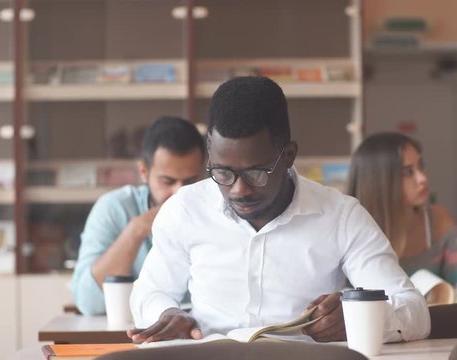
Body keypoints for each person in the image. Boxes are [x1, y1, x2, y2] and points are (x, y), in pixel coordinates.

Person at [129, 76, 430, 344]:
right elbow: (148, 293)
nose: (238, 189)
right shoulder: (186, 209)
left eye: (256, 173)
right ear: (210, 150)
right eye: (222, 172)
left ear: (288, 155)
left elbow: (415, 312)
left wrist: (357, 317)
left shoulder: (341, 216)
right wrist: (167, 312)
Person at [347, 132, 457, 297]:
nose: (422, 178)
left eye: (421, 166)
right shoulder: (352, 229)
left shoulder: (437, 219)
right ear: (379, 181)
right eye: (408, 172)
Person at [71, 116, 206, 315]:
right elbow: (89, 303)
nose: (180, 193)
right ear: (143, 171)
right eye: (168, 181)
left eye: (191, 181)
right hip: (130, 335)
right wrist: (136, 230)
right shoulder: (114, 208)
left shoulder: (216, 211)